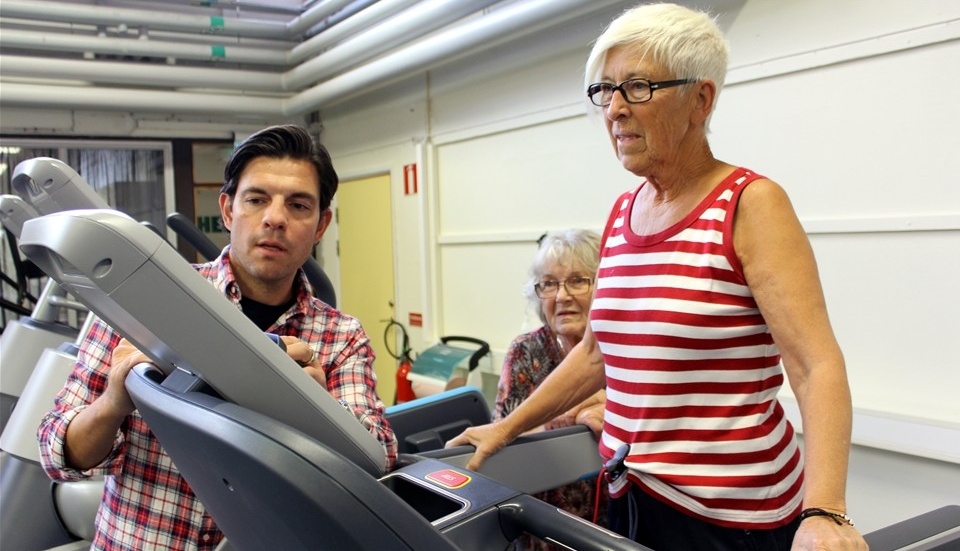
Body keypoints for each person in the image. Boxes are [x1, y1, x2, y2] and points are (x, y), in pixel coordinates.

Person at [448, 4, 868, 551]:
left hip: (731, 517)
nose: (615, 110)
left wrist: (827, 511)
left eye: (638, 87)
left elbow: (815, 366)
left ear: (701, 99)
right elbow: (598, 355)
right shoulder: (624, 212)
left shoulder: (750, 206)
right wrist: (507, 428)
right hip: (633, 494)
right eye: (605, 91)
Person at [37, 124, 399, 550]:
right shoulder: (141, 301)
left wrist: (318, 417)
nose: (275, 218)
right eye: (257, 199)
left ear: (321, 225)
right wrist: (114, 402)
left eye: (298, 205)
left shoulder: (340, 338)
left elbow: (378, 459)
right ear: (228, 210)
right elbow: (56, 454)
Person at [496, 229, 606, 551]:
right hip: (541, 524)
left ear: (602, 286)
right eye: (549, 283)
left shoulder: (622, 349)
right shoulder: (526, 352)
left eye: (577, 281)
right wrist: (564, 416)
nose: (561, 296)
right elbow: (502, 443)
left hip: (617, 525)